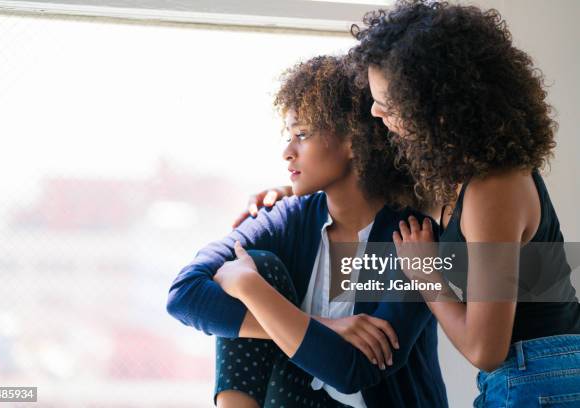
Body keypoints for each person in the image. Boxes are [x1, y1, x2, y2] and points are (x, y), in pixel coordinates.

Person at [166, 55, 448, 407]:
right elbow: (184, 294)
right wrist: (323, 323)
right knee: (258, 263)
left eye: (301, 134)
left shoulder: (414, 238)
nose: (287, 152)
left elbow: (356, 370)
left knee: (251, 276)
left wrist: (249, 286)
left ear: (353, 141)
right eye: (289, 137)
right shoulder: (287, 218)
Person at [346, 1, 580, 406]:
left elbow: (485, 350)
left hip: (543, 379)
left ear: (435, 109)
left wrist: (426, 274)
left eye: (388, 102)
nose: (375, 110)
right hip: (525, 379)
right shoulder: (454, 179)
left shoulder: (494, 188)